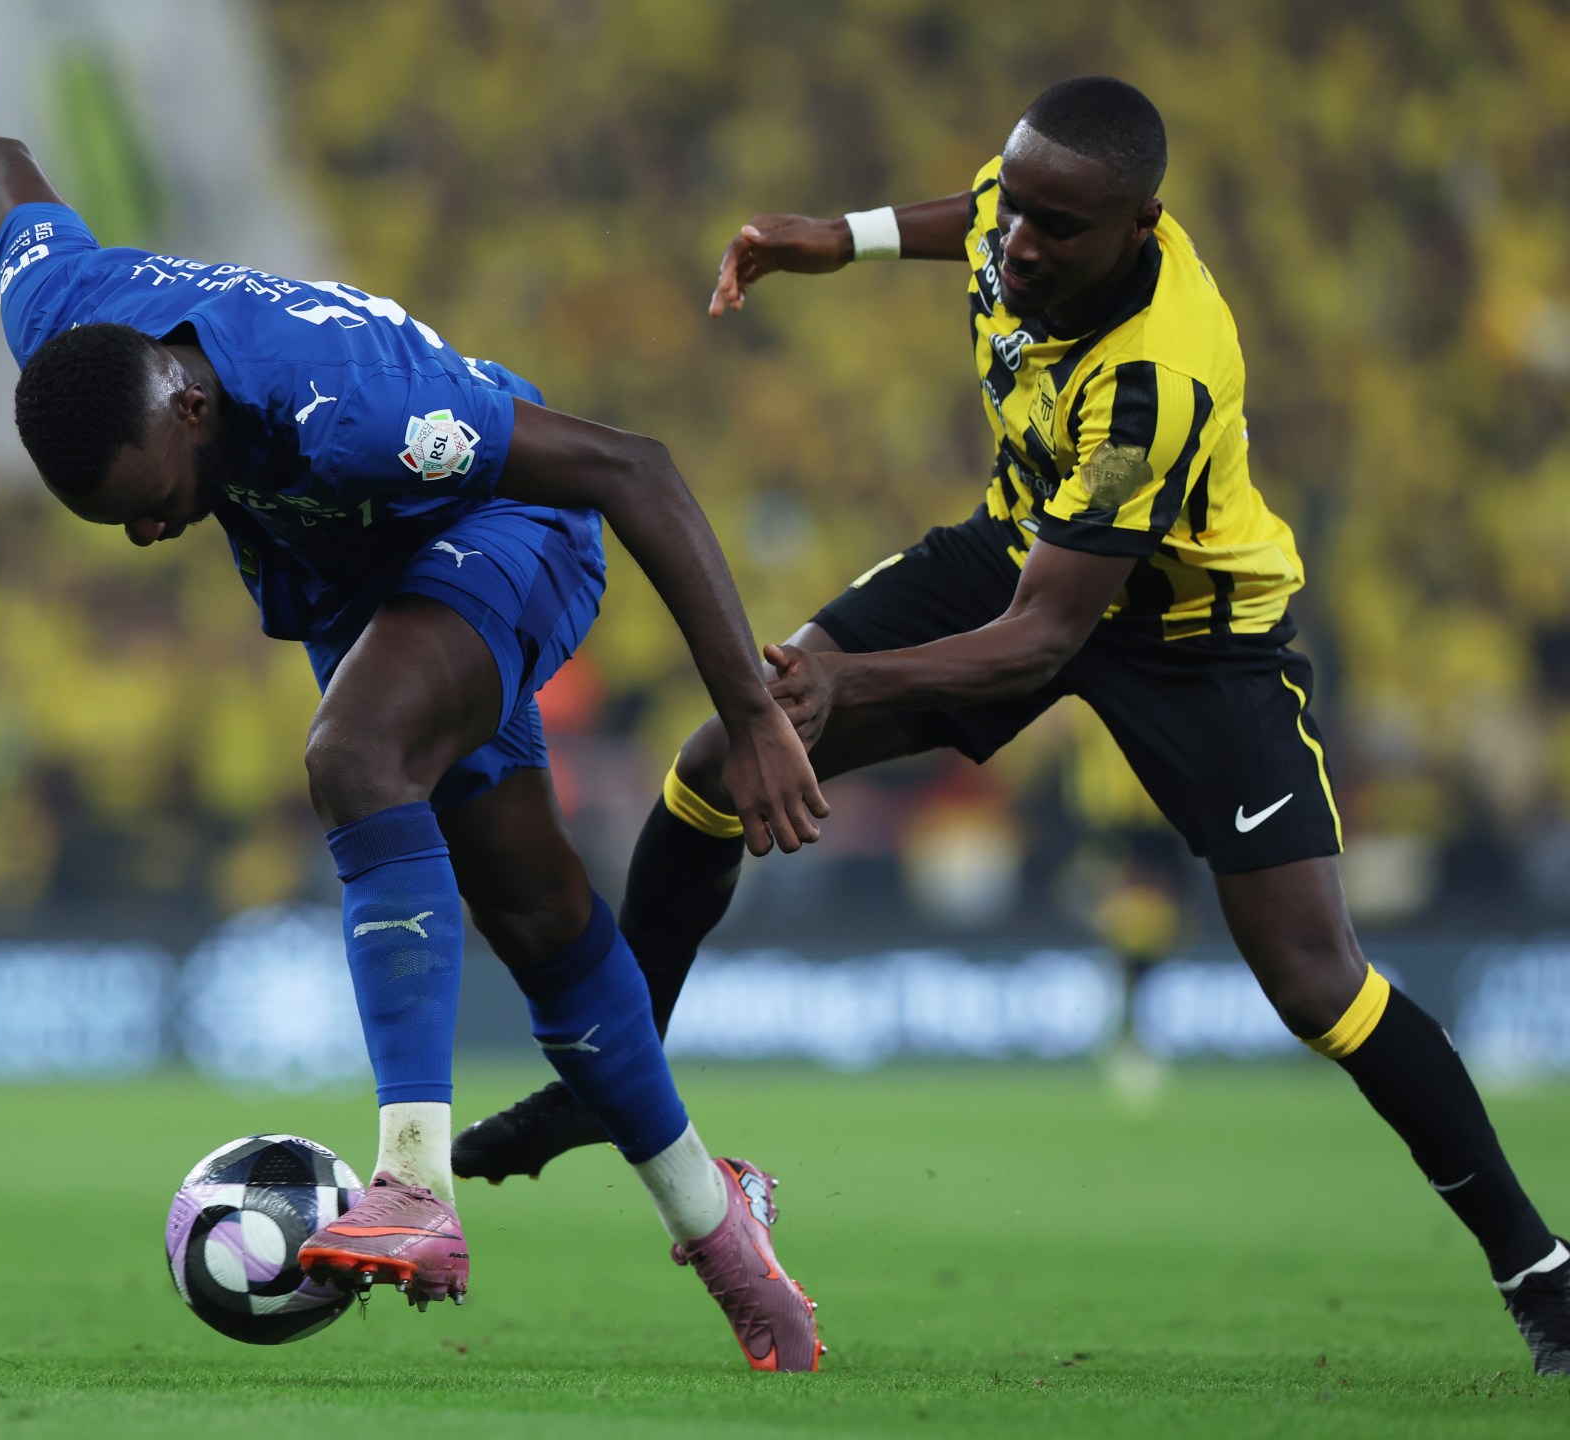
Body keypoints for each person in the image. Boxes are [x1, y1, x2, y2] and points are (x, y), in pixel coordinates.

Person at [0, 127, 828, 1370]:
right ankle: (723, 1228)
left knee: (355, 756)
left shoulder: (356, 409)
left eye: (150, 500)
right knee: (539, 924)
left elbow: (628, 467)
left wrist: (749, 714)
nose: (150, 534)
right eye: (116, 522)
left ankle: (413, 1182)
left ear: (193, 405)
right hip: (361, 590)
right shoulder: (70, 319)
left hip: (504, 526)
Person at [452, 76, 1570, 1376]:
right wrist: (839, 237)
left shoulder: (1158, 376)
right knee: (712, 767)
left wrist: (830, 689)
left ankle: (1539, 1270)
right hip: (1021, 548)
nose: (1017, 243)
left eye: (1054, 228)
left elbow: (1044, 642)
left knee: (1316, 981)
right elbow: (973, 213)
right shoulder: (1028, 203)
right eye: (1016, 209)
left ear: (1137, 231)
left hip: (1190, 636)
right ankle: (614, 1080)